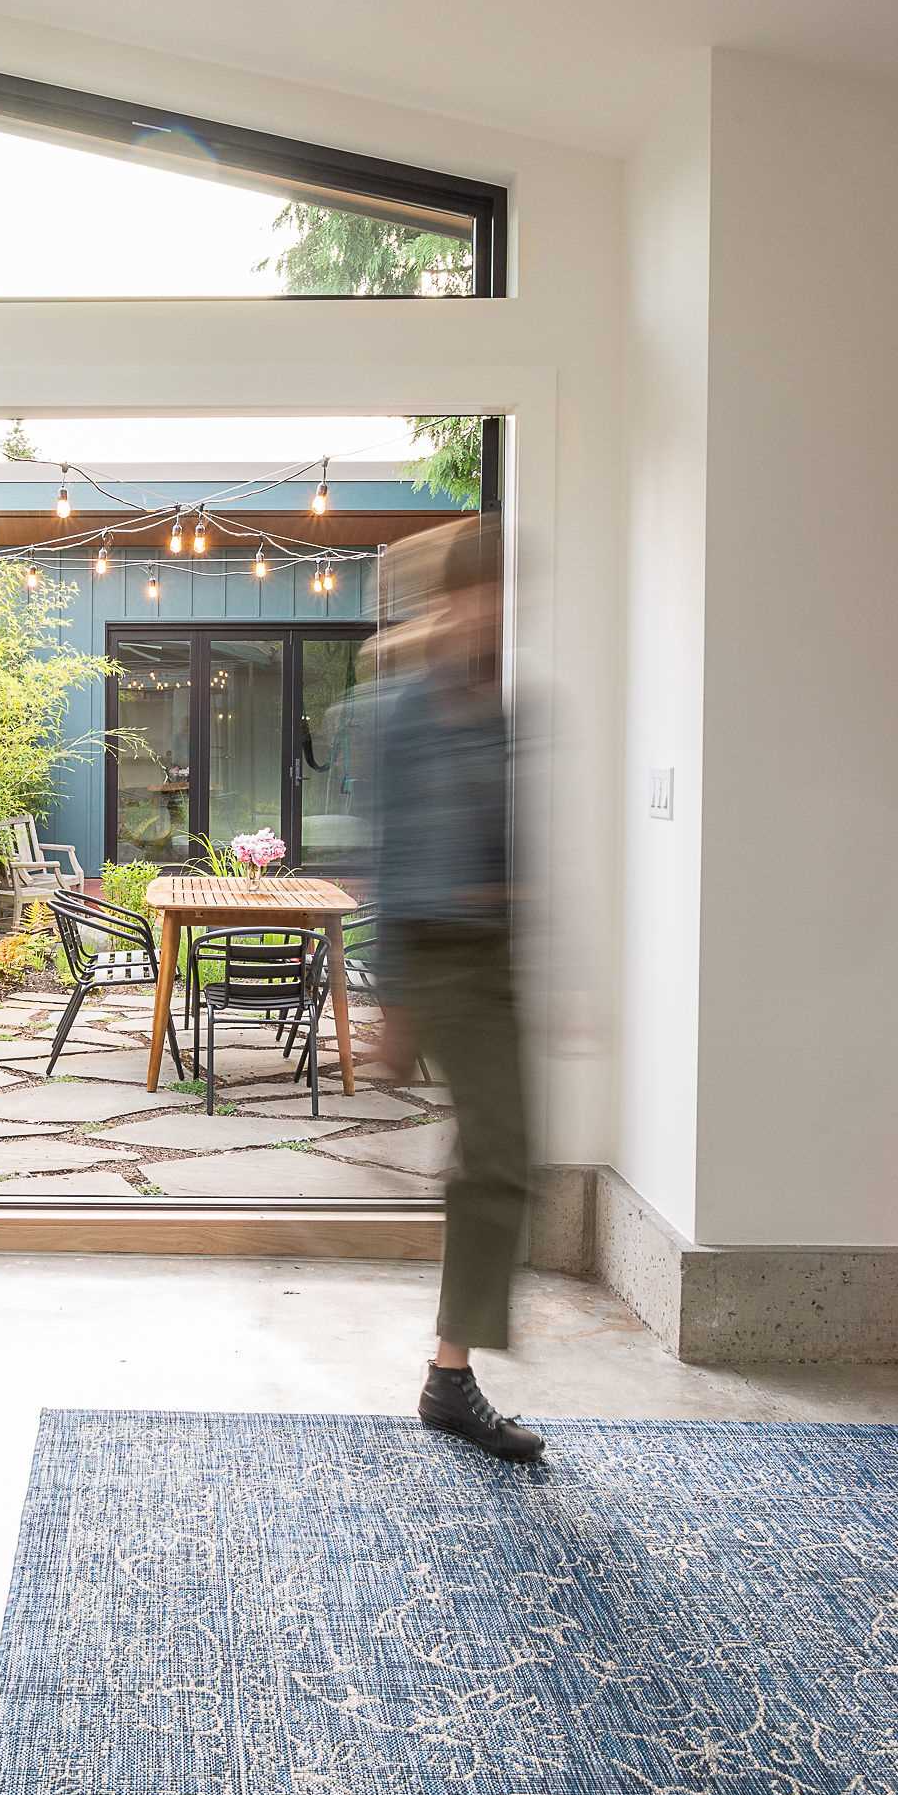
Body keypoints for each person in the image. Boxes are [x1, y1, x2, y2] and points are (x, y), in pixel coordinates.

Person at [364, 518, 543, 1462]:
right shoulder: (401, 711)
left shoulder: (501, 708)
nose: (498, 614)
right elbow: (391, 855)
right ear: (457, 596)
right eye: (489, 594)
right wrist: (393, 999)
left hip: (495, 956)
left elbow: (511, 848)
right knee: (498, 1156)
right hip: (439, 957)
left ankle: (451, 1369)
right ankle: (450, 1375)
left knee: (500, 1157)